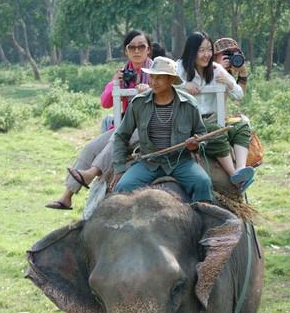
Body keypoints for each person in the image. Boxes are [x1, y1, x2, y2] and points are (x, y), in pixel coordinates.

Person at [46, 30, 153, 210]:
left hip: (148, 127)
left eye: (141, 46)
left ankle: (90, 173)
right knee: (89, 148)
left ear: (148, 49)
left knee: (116, 138)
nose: (137, 51)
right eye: (132, 47)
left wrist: (149, 88)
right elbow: (105, 103)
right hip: (124, 125)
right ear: (126, 51)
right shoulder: (123, 73)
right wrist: (114, 83)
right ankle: (67, 196)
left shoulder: (156, 71)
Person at [112, 56, 213, 202]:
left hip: (180, 162)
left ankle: (203, 221)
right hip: (148, 161)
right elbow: (121, 136)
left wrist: (196, 144)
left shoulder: (189, 104)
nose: (153, 82)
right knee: (123, 187)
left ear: (171, 80)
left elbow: (202, 134)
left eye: (159, 78)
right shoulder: (138, 103)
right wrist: (119, 168)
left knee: (203, 183)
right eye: (151, 77)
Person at [176, 32, 254, 193]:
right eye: (201, 50)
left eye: (209, 50)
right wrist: (184, 86)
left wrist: (229, 83)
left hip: (214, 118)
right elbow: (164, 85)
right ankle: (234, 176)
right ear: (191, 51)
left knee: (241, 126)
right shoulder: (179, 68)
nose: (206, 55)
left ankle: (240, 169)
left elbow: (239, 94)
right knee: (214, 131)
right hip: (191, 122)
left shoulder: (216, 69)